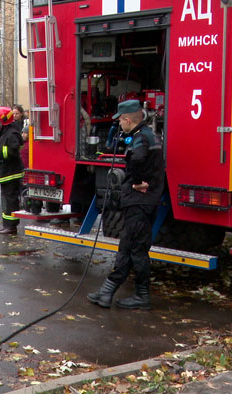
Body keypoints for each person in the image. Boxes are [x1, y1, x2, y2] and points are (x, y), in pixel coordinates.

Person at [87, 100, 164, 310]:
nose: (119, 124)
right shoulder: (147, 135)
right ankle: (107, 292)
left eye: (120, 120)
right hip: (143, 202)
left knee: (135, 249)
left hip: (140, 202)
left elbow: (138, 159)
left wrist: (137, 182)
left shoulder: (141, 138)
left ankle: (140, 296)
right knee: (128, 247)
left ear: (128, 119)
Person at [0, 107, 24, 235]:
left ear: (4, 120)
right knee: (6, 200)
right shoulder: (4, 132)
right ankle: (7, 225)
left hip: (11, 172)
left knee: (10, 200)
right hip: (5, 172)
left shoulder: (12, 133)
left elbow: (12, 151)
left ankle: (11, 226)